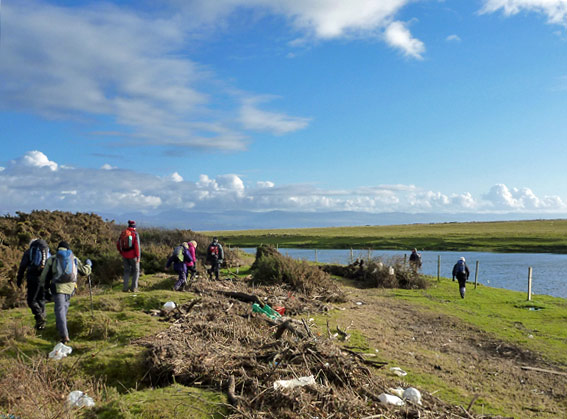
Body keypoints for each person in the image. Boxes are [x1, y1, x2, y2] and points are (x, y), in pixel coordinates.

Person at [39, 241, 92, 343]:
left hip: (58, 288)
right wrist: (89, 264)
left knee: (60, 310)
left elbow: (43, 276)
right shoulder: (73, 258)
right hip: (71, 288)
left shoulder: (52, 259)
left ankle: (64, 336)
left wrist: (44, 287)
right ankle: (60, 330)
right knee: (64, 308)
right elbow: (85, 272)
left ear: (58, 249)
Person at [16, 238, 51, 330]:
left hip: (33, 277)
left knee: (31, 300)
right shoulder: (47, 251)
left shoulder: (29, 252)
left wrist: (19, 280)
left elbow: (22, 266)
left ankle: (39, 317)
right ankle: (41, 324)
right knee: (41, 300)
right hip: (44, 278)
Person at [117, 220, 141, 292]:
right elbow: (137, 246)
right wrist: (138, 256)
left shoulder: (123, 233)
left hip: (125, 255)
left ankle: (125, 288)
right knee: (136, 271)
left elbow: (118, 244)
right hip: (133, 256)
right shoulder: (135, 234)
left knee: (126, 271)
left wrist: (122, 252)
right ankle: (134, 288)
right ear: (134, 227)